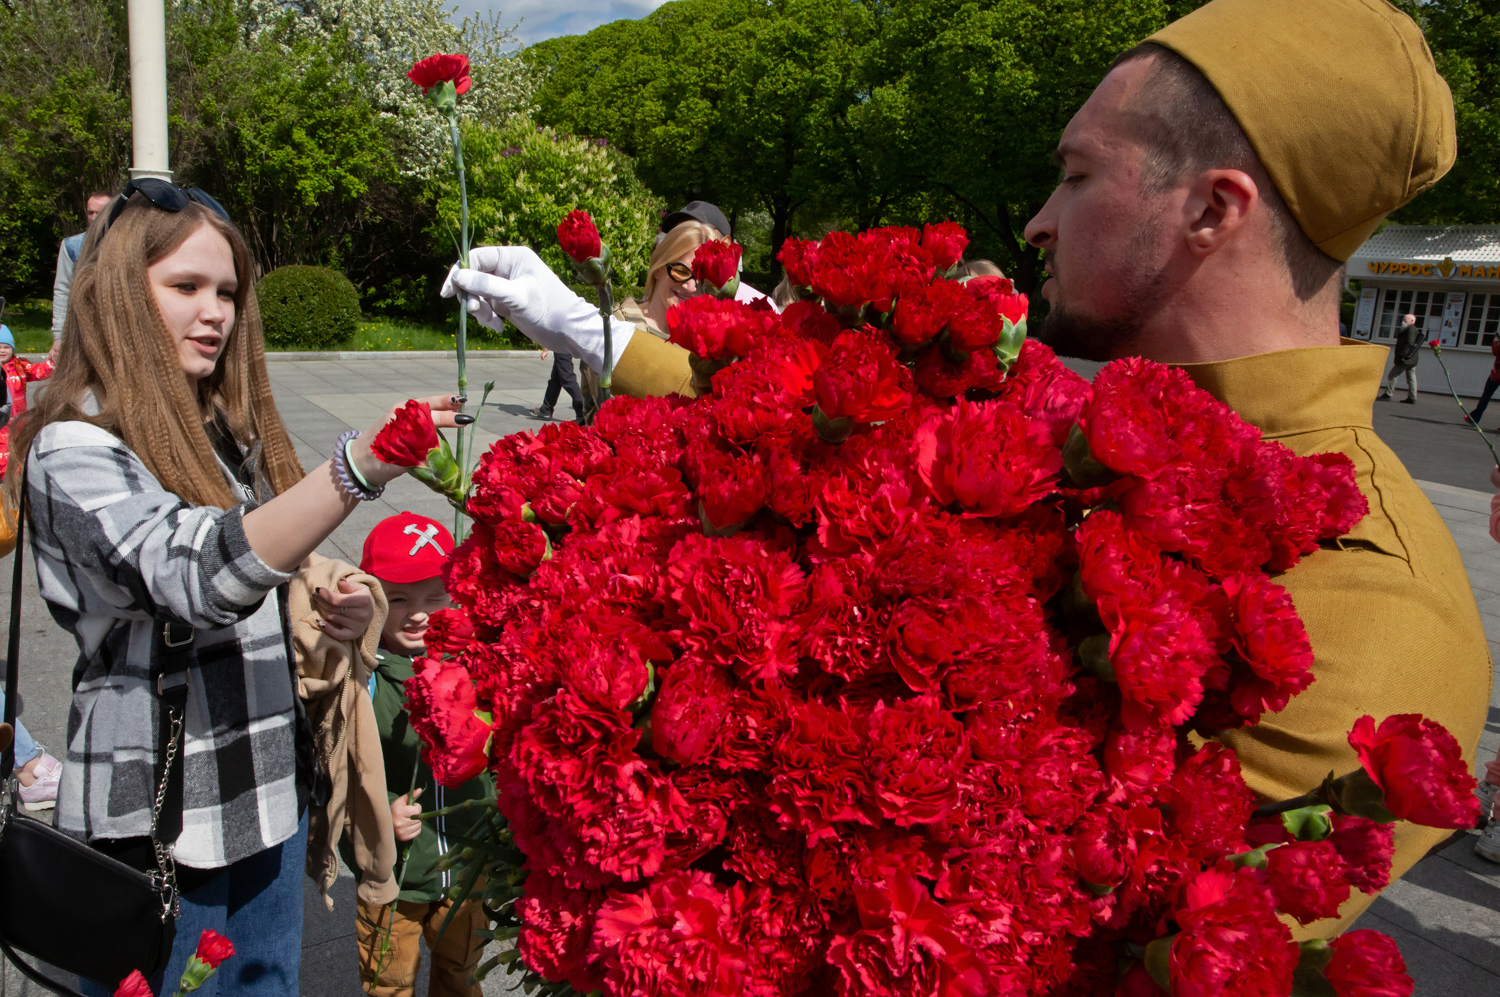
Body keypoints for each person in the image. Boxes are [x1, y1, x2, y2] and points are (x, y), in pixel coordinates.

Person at [446, 0, 1491, 940]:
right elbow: (845, 442)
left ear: (1214, 211)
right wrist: (594, 333)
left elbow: (1085, 933)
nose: (1037, 218)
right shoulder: (1084, 410)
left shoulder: (1371, 599)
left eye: (1077, 175)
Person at [6, 179, 466, 996]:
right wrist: (359, 467)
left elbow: (263, 571)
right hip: (159, 814)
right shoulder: (71, 443)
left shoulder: (213, 425)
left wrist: (336, 607)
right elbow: (195, 573)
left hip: (264, 791)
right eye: (185, 287)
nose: (215, 310)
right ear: (117, 294)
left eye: (226, 290)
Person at [338, 512, 494, 997]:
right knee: (390, 979)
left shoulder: (479, 660)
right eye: (399, 598)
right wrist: (376, 818)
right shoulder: (358, 677)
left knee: (459, 971)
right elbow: (335, 771)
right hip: (396, 875)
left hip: (469, 862)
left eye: (436, 596)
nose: (419, 613)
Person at [50, 190, 114, 362]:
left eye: (99, 213)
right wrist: (59, 336)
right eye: (90, 212)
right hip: (82, 330)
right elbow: (63, 291)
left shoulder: (127, 245)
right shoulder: (72, 247)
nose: (94, 217)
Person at [0, 324, 54, 478]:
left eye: (6, 347)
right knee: (2, 450)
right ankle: (3, 479)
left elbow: (39, 371)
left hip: (18, 420)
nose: (2, 351)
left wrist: (53, 361)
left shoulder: (19, 366)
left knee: (19, 447)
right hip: (1, 420)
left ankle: (17, 477)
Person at [529, 348, 585, 423]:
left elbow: (552, 335)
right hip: (563, 346)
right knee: (556, 379)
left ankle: (582, 412)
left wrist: (545, 350)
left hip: (562, 346)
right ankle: (546, 409)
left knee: (567, 379)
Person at [1378, 312, 1423, 403]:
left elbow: (1409, 343)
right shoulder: (1412, 329)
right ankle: (1412, 397)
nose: (1403, 321)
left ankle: (1388, 393)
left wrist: (1403, 356)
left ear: (1412, 321)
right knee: (1411, 378)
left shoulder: (1410, 329)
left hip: (1406, 359)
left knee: (1393, 374)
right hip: (1412, 359)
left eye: (1405, 320)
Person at [1466, 334, 1500, 427]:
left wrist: (1496, 341)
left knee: (1487, 395)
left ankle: (1474, 417)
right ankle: (1473, 417)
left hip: (1498, 373)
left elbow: (1496, 351)